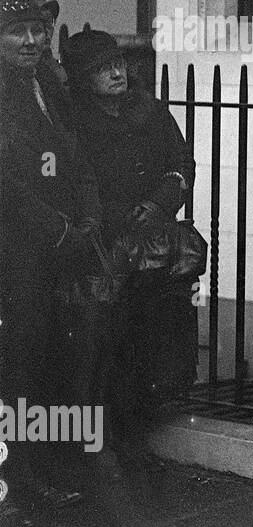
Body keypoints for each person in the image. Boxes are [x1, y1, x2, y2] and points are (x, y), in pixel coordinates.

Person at [63, 27, 196, 473]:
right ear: (83, 77)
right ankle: (99, 444)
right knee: (102, 345)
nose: (116, 73)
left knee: (147, 340)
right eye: (102, 68)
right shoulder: (75, 121)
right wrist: (116, 214)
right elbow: (76, 181)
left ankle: (134, 431)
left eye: (118, 64)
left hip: (152, 248)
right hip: (104, 249)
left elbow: (181, 163)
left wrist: (161, 202)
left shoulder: (150, 110)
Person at [0, 0, 102, 512]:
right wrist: (58, 230)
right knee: (17, 362)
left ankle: (41, 467)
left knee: (52, 358)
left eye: (38, 29)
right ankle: (14, 477)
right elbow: (8, 186)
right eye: (17, 30)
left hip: (60, 246)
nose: (33, 41)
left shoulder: (48, 86)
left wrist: (87, 217)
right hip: (15, 251)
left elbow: (75, 152)